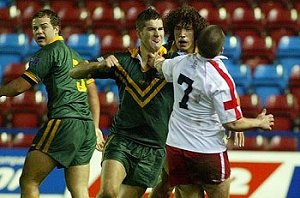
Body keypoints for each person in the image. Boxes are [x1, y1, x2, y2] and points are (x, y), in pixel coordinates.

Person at [151, 25, 274, 198]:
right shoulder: (220, 80)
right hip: (207, 151)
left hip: (176, 148)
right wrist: (259, 122)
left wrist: (154, 60)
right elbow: (232, 122)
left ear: (198, 44)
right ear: (221, 49)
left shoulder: (179, 62)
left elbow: (161, 66)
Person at [69, 8, 174, 198]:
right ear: (139, 32)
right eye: (151, 29)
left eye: (160, 29)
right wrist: (99, 64)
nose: (157, 34)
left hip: (153, 146)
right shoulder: (123, 60)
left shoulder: (173, 63)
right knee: (108, 193)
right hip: (122, 139)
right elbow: (75, 72)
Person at [0, 9, 105, 198]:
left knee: (29, 181)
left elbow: (19, 87)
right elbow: (93, 93)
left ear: (56, 29)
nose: (38, 31)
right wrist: (96, 127)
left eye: (43, 27)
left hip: (65, 122)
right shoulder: (77, 56)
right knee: (79, 189)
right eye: (34, 28)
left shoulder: (49, 51)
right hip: (86, 128)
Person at [149, 6, 244, 198]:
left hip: (200, 139)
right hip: (171, 132)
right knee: (165, 186)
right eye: (177, 30)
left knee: (173, 187)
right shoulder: (167, 55)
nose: (182, 35)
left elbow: (227, 90)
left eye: (188, 29)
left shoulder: (207, 57)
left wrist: (237, 120)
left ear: (198, 33)